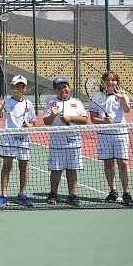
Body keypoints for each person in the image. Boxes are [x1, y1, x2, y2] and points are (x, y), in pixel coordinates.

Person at [88, 70, 133, 206]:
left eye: (113, 80)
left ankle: (126, 193)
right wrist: (104, 121)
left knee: (123, 163)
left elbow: (127, 110)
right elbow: (93, 118)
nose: (110, 82)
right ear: (103, 82)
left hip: (121, 134)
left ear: (117, 81)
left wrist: (123, 97)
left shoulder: (121, 95)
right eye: (107, 80)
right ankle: (112, 191)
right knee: (108, 164)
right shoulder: (96, 97)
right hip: (104, 135)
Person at [43, 77, 88, 206]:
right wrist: (53, 114)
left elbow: (85, 121)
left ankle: (72, 195)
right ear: (56, 90)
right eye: (59, 88)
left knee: (72, 169)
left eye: (65, 87)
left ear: (69, 87)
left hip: (74, 142)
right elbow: (46, 122)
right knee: (56, 170)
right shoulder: (51, 103)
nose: (63, 90)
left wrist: (70, 117)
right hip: (57, 142)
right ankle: (53, 195)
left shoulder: (77, 102)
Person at [0, 75, 37, 208]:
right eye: (17, 86)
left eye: (22, 86)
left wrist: (28, 126)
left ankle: (22, 194)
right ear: (12, 88)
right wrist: (0, 108)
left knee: (23, 167)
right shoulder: (6, 102)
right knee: (6, 166)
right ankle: (4, 196)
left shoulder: (29, 104)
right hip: (8, 139)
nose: (20, 88)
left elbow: (33, 123)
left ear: (25, 88)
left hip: (23, 140)